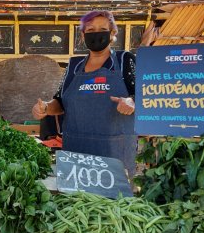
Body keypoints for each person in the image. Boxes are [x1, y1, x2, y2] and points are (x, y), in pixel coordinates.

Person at [32, 10, 137, 175]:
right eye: (90, 30)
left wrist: (132, 102)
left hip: (115, 152)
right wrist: (45, 108)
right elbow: (60, 102)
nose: (96, 34)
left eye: (102, 29)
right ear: (82, 35)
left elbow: (147, 97)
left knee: (116, 200)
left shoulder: (125, 60)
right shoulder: (73, 65)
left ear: (113, 33)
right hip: (76, 153)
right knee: (77, 200)